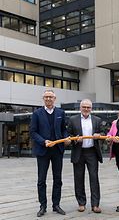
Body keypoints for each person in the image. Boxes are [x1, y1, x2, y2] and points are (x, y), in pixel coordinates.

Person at [30, 89, 68, 217]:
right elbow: (33, 132)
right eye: (46, 97)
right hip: (43, 150)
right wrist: (43, 141)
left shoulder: (61, 113)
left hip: (57, 150)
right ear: (43, 99)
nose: (48, 99)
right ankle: (43, 206)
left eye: (50, 97)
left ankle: (56, 205)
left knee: (58, 179)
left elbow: (64, 129)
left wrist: (66, 138)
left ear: (54, 99)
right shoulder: (37, 114)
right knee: (41, 180)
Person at [67, 99, 103, 214]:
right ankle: (81, 203)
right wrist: (75, 140)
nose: (86, 109)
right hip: (79, 152)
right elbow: (69, 135)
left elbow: (103, 133)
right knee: (78, 178)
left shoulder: (97, 120)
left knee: (94, 178)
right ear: (80, 108)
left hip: (92, 152)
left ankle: (95, 204)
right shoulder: (73, 120)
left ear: (91, 108)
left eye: (88, 107)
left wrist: (99, 135)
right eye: (84, 107)